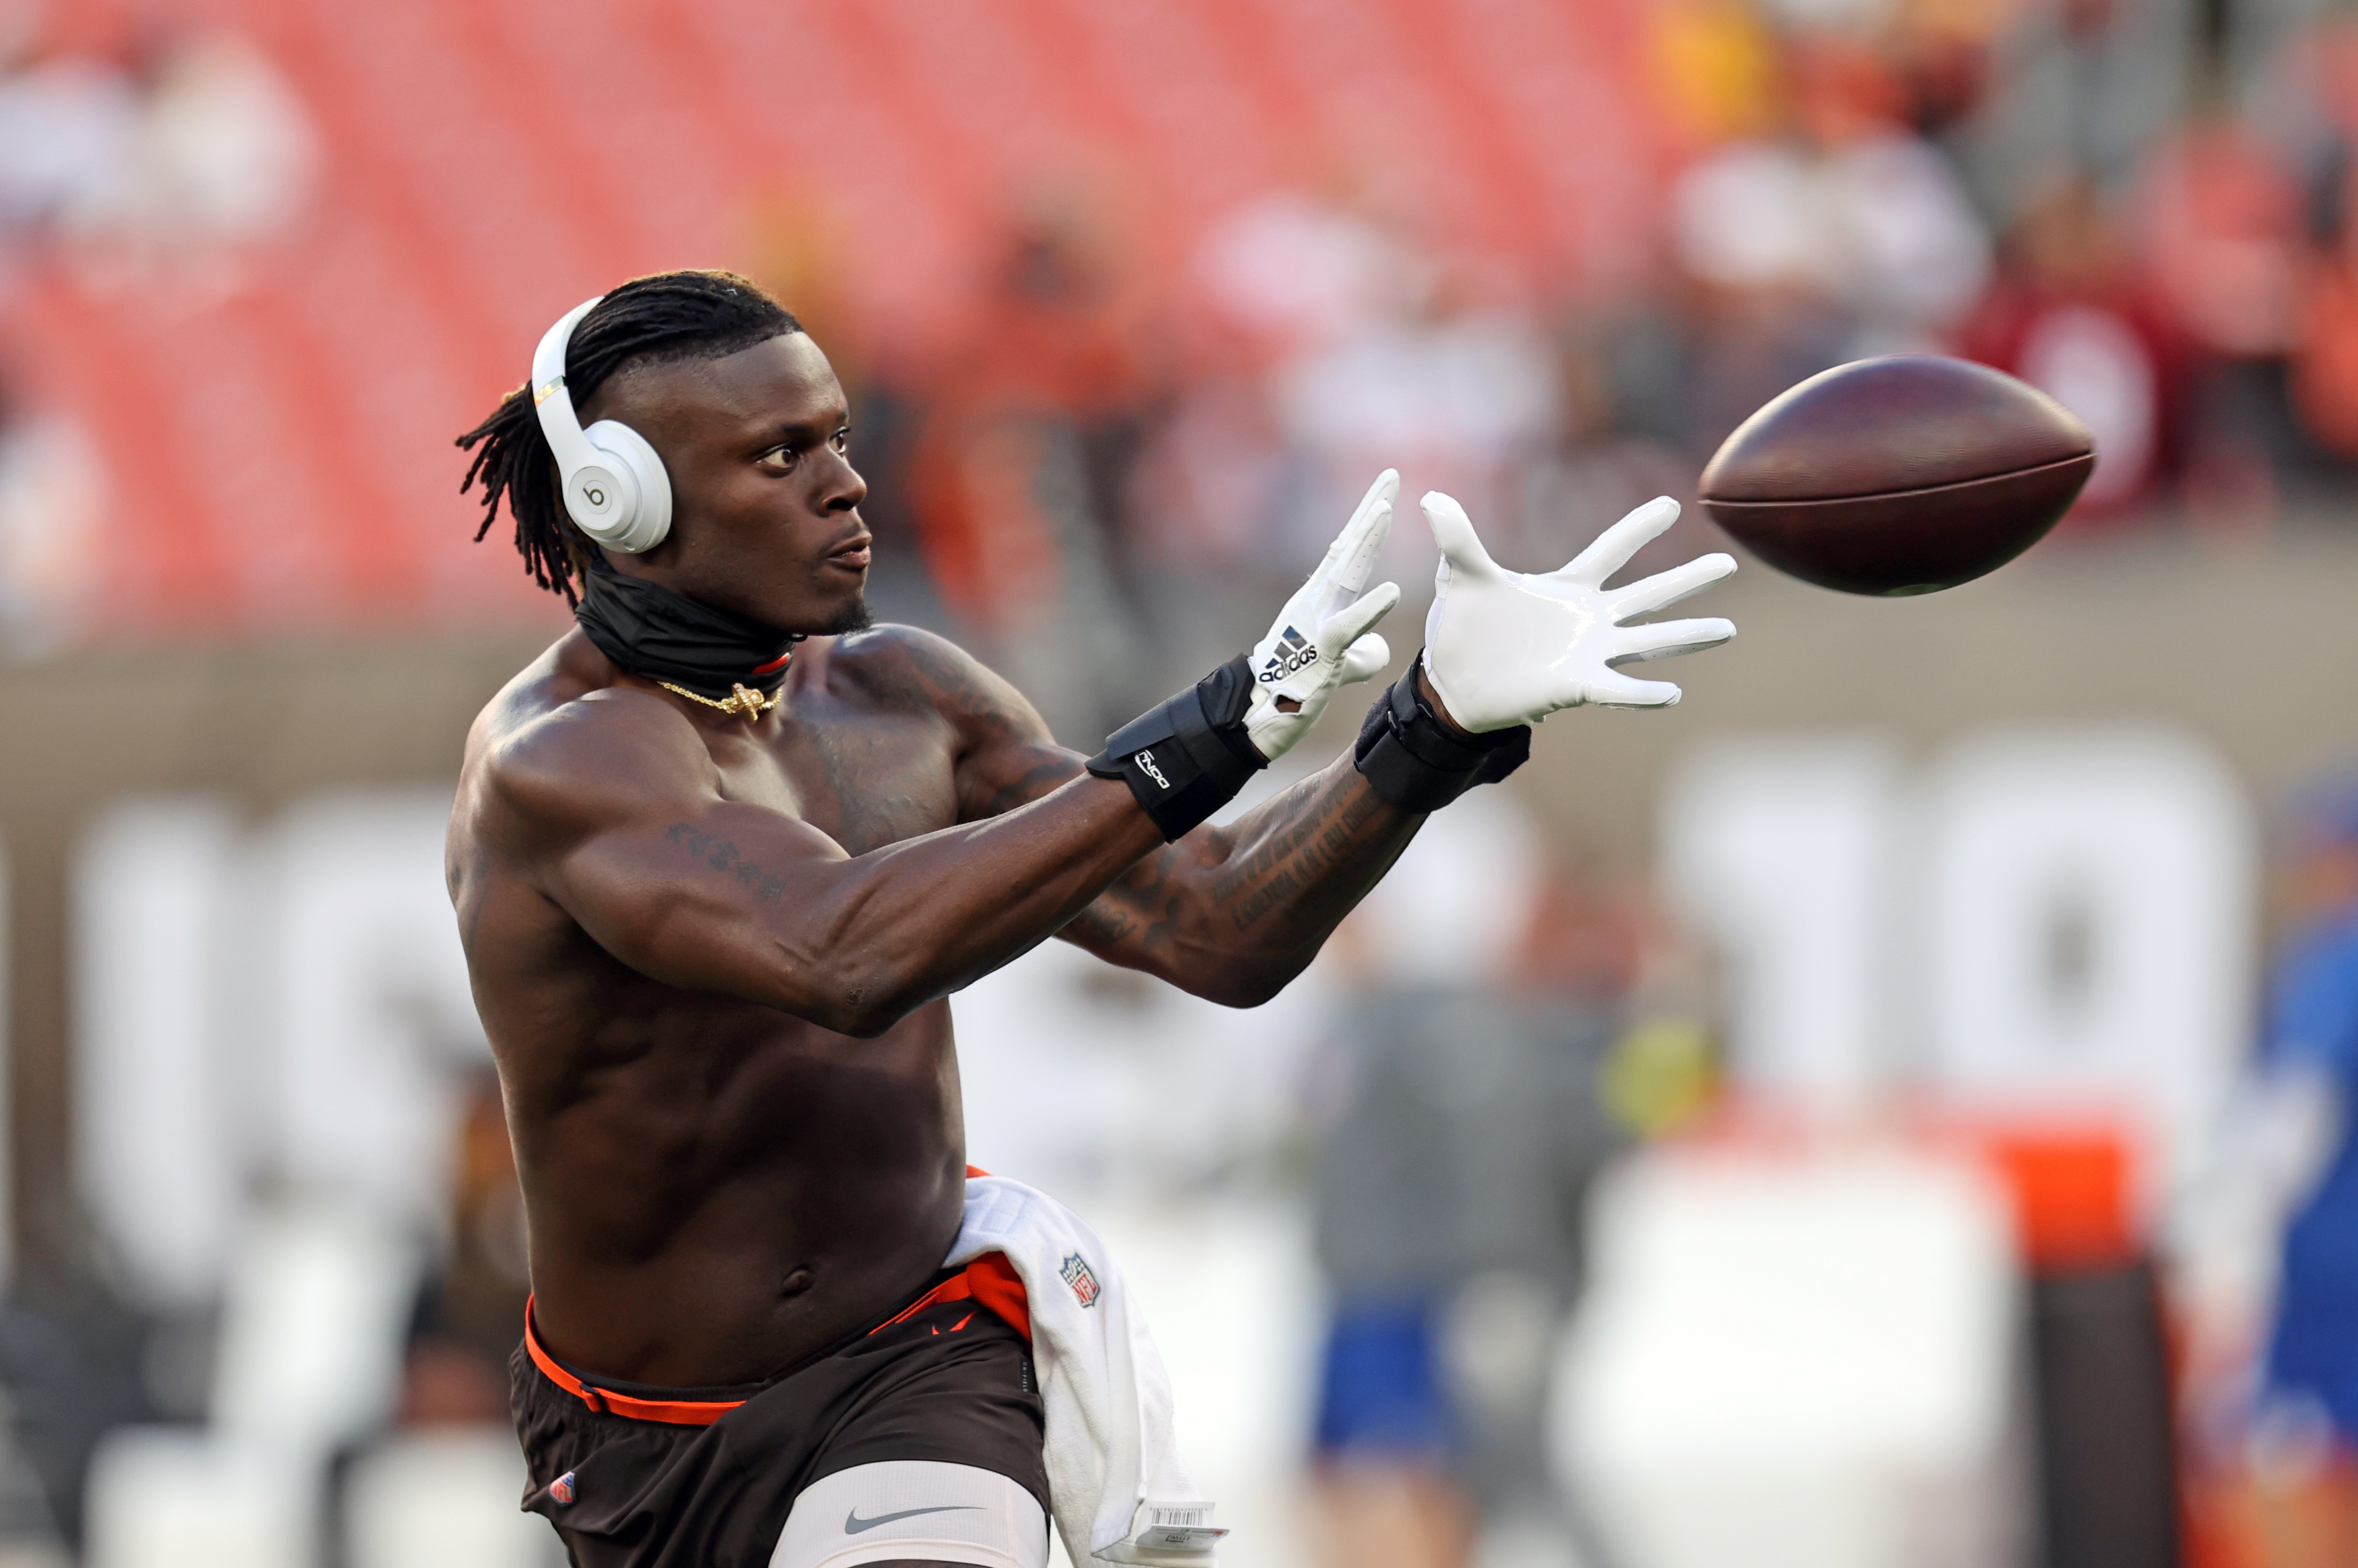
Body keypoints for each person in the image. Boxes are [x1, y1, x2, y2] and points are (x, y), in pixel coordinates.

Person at [444, 269, 1736, 1568]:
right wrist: (1211, 732)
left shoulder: (904, 692)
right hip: (635, 1433)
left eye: (835, 436)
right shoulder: (562, 759)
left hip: (915, 1359)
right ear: (625, 501)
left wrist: (1429, 728)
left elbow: (1215, 925)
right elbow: (838, 953)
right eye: (780, 455)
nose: (845, 483)